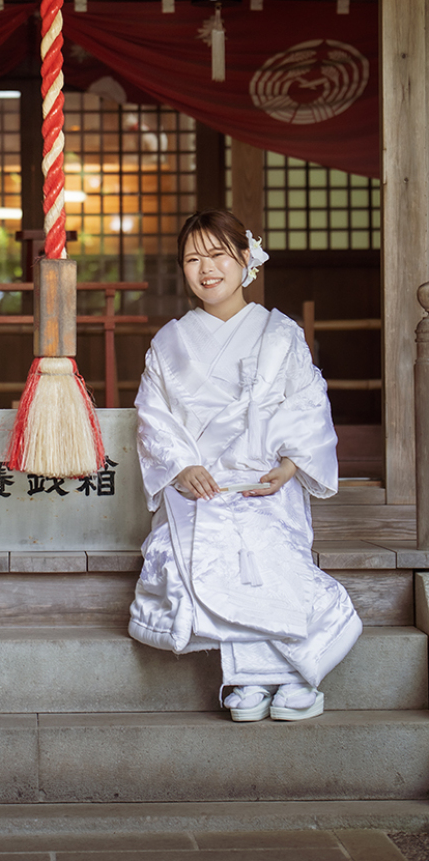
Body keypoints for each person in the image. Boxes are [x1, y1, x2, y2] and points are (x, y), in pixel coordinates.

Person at [128, 209, 362, 722]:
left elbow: (306, 401)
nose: (206, 269)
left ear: (244, 259)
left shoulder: (280, 333)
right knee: (205, 556)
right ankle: (287, 675)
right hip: (199, 485)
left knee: (263, 552)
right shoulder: (169, 342)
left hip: (264, 480)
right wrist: (182, 466)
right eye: (193, 258)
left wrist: (291, 463)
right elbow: (154, 415)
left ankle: (256, 679)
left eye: (217, 255)